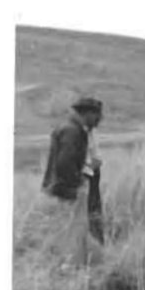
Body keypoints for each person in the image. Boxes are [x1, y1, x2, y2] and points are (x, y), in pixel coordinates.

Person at [40, 96, 104, 265]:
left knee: (70, 229)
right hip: (67, 190)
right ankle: (72, 269)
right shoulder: (72, 131)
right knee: (74, 230)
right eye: (97, 115)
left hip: (63, 188)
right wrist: (75, 187)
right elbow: (64, 163)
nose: (99, 120)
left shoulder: (70, 128)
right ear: (87, 114)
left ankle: (72, 265)